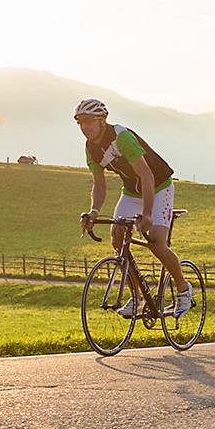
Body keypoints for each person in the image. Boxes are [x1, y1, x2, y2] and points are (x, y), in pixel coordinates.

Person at [74, 98, 193, 318]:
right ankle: (136, 297)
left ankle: (184, 289)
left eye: (89, 121)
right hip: (131, 192)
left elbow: (146, 175)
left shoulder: (122, 137)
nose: (84, 127)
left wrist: (147, 214)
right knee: (118, 239)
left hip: (158, 188)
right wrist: (94, 212)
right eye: (80, 122)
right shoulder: (91, 148)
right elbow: (99, 185)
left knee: (156, 241)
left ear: (103, 121)